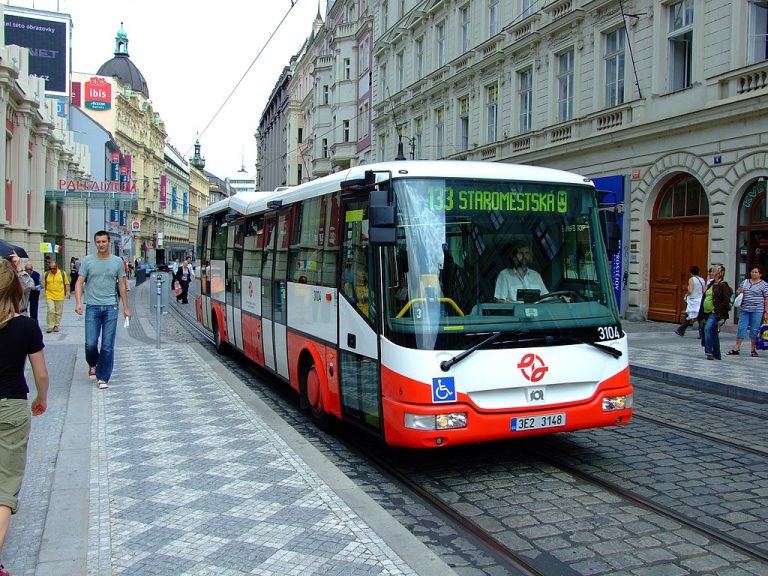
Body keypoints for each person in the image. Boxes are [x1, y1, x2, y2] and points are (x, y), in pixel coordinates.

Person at [0, 258, 49, 576]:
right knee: (5, 488)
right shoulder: (26, 326)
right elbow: (41, 374)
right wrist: (41, 399)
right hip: (12, 407)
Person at [74, 230, 131, 390]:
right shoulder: (88, 261)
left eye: (103, 241)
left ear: (108, 242)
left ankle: (103, 376)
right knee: (90, 343)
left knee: (107, 345)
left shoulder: (117, 262)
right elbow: (79, 282)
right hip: (92, 306)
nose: (101, 244)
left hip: (111, 306)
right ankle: (93, 363)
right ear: (95, 243)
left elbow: (122, 285)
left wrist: (126, 308)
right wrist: (78, 302)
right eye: (98, 242)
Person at [727, 264, 768, 357]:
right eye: (752, 272)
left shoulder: (764, 285)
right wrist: (739, 291)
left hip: (757, 310)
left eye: (755, 272)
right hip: (744, 309)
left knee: (754, 329)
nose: (753, 274)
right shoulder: (745, 282)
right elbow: (737, 291)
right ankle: (737, 347)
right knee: (741, 328)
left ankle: (753, 349)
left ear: (760, 274)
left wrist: (766, 311)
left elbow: (766, 298)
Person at [698, 263, 731, 361]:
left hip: (715, 313)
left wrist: (716, 310)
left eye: (713, 271)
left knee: (707, 329)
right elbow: (705, 297)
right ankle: (717, 353)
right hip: (706, 312)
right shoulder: (711, 283)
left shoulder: (723, 285)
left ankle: (709, 352)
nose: (711, 273)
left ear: (718, 273)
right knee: (713, 332)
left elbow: (726, 300)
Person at [675, 265, 707, 336]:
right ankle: (702, 334)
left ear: (691, 272)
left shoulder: (691, 279)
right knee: (700, 317)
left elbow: (690, 290)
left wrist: (686, 294)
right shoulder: (702, 280)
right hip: (700, 299)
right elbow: (704, 290)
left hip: (693, 299)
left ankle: (681, 330)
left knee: (688, 315)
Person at [42, 259, 70, 333]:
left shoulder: (62, 273)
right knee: (51, 310)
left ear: (57, 267)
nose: (52, 270)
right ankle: (50, 326)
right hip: (49, 295)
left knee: (58, 312)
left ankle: (56, 325)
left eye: (54, 268)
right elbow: (43, 284)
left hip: (60, 295)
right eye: (51, 268)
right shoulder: (46, 274)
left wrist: (68, 292)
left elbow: (66, 283)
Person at [8, 253, 34, 317]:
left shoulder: (23, 275)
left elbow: (28, 286)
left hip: (20, 313)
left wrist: (18, 268)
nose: (11, 264)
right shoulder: (5, 276)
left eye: (13, 261)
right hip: (6, 315)